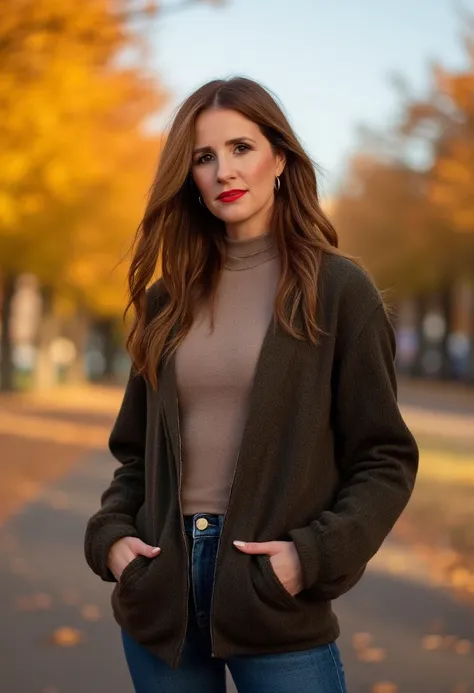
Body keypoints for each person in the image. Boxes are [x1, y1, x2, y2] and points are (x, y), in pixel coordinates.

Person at [84, 76, 419, 693]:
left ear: (281, 159)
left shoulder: (339, 292)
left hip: (274, 600)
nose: (223, 171)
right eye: (203, 158)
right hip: (162, 599)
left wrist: (311, 557)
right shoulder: (168, 299)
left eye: (241, 148)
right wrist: (111, 539)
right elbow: (134, 453)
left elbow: (384, 457)